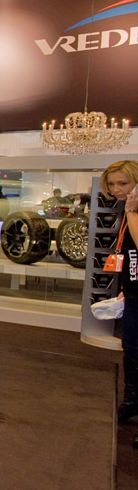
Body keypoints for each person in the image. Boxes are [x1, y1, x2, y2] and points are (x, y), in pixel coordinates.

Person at [102, 160, 138, 423]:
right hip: (134, 292)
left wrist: (132, 213)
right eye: (112, 184)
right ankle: (132, 399)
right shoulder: (126, 211)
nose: (116, 189)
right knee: (132, 347)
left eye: (123, 183)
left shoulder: (132, 211)